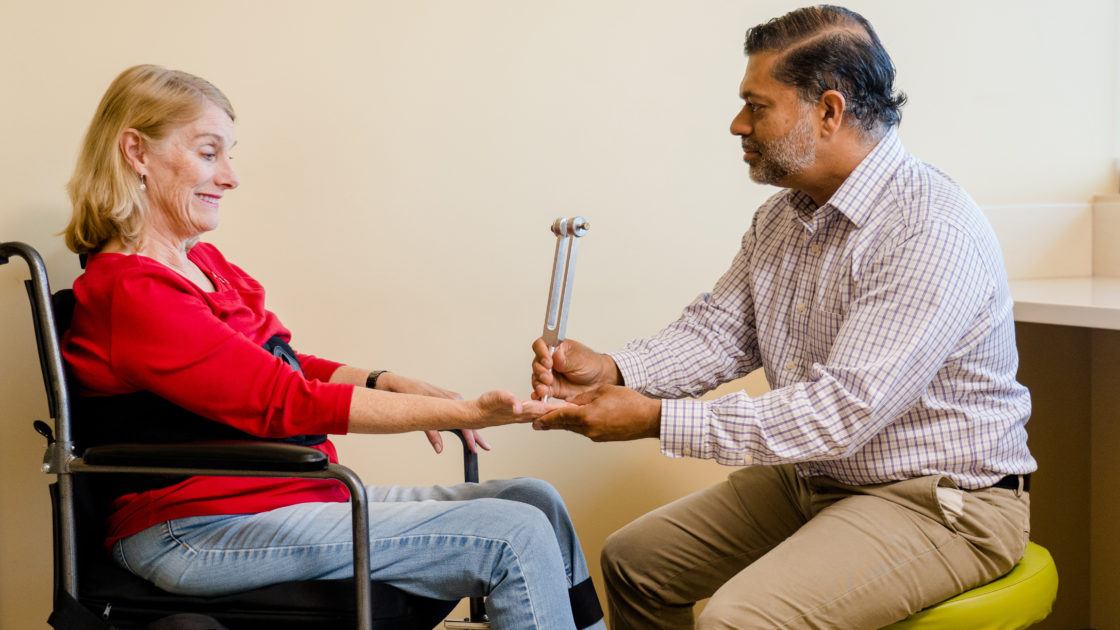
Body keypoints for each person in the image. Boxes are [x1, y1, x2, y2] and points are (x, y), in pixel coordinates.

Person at [530, 5, 1034, 628]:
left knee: (736, 620)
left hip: (939, 502)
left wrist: (656, 420)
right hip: (817, 480)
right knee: (634, 562)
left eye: (757, 105)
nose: (737, 124)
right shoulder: (783, 219)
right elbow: (717, 333)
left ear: (828, 112)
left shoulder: (927, 226)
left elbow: (840, 411)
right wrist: (611, 369)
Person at [62, 64, 604, 629]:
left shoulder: (200, 264)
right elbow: (282, 400)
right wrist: (466, 411)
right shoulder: (132, 291)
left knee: (534, 500)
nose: (230, 176)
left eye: (230, 154)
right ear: (136, 153)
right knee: (510, 535)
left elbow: (277, 363)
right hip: (192, 530)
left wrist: (381, 379)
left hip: (278, 502)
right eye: (208, 153)